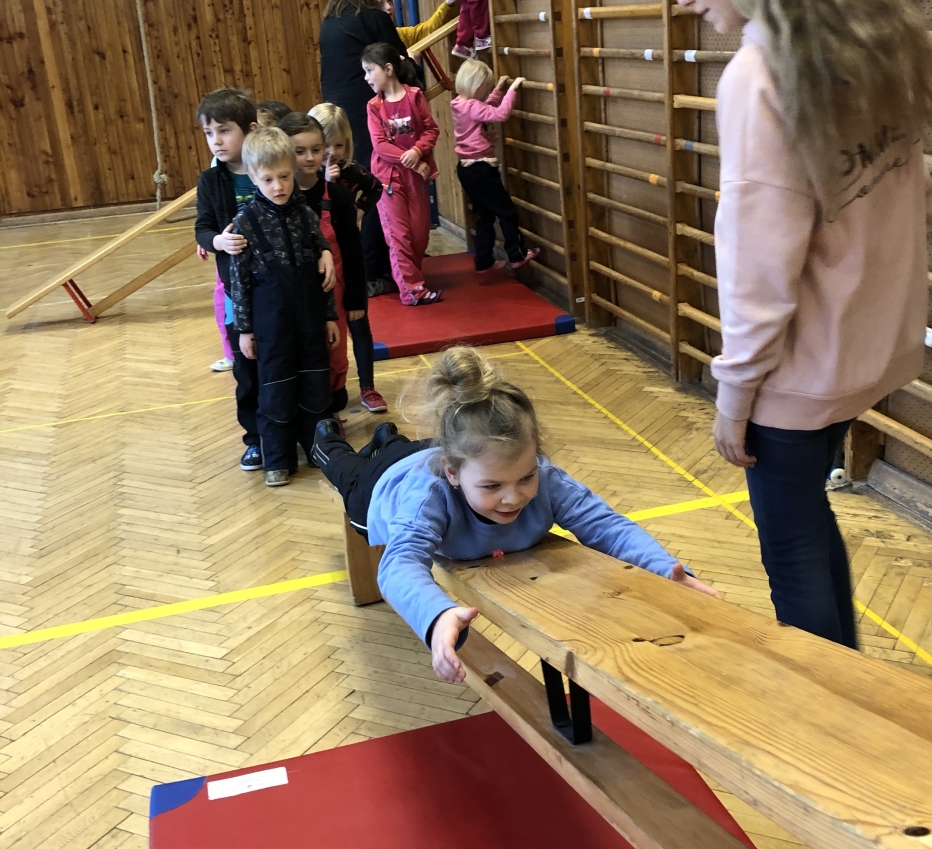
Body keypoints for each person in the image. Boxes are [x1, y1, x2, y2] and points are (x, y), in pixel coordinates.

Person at [652, 0, 932, 649]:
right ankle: (850, 685)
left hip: (798, 372)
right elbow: (915, 185)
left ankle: (828, 711)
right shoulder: (863, 26)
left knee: (792, 548)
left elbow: (758, 267)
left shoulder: (758, 75)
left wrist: (733, 394)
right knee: (809, 524)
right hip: (865, 350)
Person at [311, 347, 718, 682]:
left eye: (525, 478)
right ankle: (328, 442)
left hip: (440, 454)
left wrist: (663, 569)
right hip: (384, 482)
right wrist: (437, 616)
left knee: (406, 447)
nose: (513, 498)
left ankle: (388, 437)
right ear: (452, 473)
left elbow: (606, 526)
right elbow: (399, 564)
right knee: (349, 474)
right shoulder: (427, 498)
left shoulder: (539, 476)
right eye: (493, 487)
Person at [228, 128, 339, 486]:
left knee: (316, 387)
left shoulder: (306, 215)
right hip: (269, 324)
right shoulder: (244, 223)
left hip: (309, 317)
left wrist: (329, 317)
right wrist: (244, 330)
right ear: (253, 177)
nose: (278, 186)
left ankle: (319, 451)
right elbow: (239, 284)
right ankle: (277, 458)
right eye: (268, 179)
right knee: (275, 391)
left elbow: (323, 273)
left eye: (285, 177)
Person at [280, 111, 387, 416]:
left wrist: (356, 299)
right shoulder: (278, 196)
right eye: (300, 151)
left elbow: (353, 253)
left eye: (317, 149)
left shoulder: (338, 196)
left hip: (336, 291)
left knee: (335, 352)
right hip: (295, 294)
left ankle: (337, 405)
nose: (310, 158)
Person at [193, 87, 262, 470]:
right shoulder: (210, 181)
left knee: (283, 363)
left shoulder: (269, 170)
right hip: (239, 292)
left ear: (250, 130)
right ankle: (255, 440)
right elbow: (202, 229)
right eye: (209, 133)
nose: (216, 141)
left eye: (224, 130)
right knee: (246, 370)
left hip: (278, 289)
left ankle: (296, 432)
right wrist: (217, 241)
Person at [363, 42, 442, 306]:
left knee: (419, 234)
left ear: (388, 69)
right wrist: (411, 161)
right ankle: (412, 290)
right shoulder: (374, 106)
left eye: (369, 70)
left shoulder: (415, 97)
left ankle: (412, 279)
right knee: (399, 236)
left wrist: (419, 151)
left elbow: (431, 130)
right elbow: (380, 145)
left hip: (416, 178)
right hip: (389, 179)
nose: (366, 78)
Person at [319, 0, 409, 168]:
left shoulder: (328, 23)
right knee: (378, 169)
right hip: (369, 109)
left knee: (352, 168)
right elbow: (400, 66)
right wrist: (412, 62)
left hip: (336, 110)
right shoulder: (374, 18)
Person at [450, 60, 539, 274]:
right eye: (487, 88)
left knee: (485, 216)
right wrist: (512, 89)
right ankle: (517, 254)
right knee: (507, 212)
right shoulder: (473, 106)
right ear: (478, 86)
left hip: (466, 169)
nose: (487, 92)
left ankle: (484, 261)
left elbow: (485, 109)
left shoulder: (459, 103)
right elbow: (499, 114)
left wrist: (498, 89)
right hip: (481, 169)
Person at [307, 101, 393, 298]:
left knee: (351, 281)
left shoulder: (352, 171)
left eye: (338, 145)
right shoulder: (308, 175)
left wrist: (360, 211)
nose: (332, 152)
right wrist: (327, 182)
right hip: (319, 241)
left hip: (347, 239)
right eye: (325, 145)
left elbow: (375, 187)